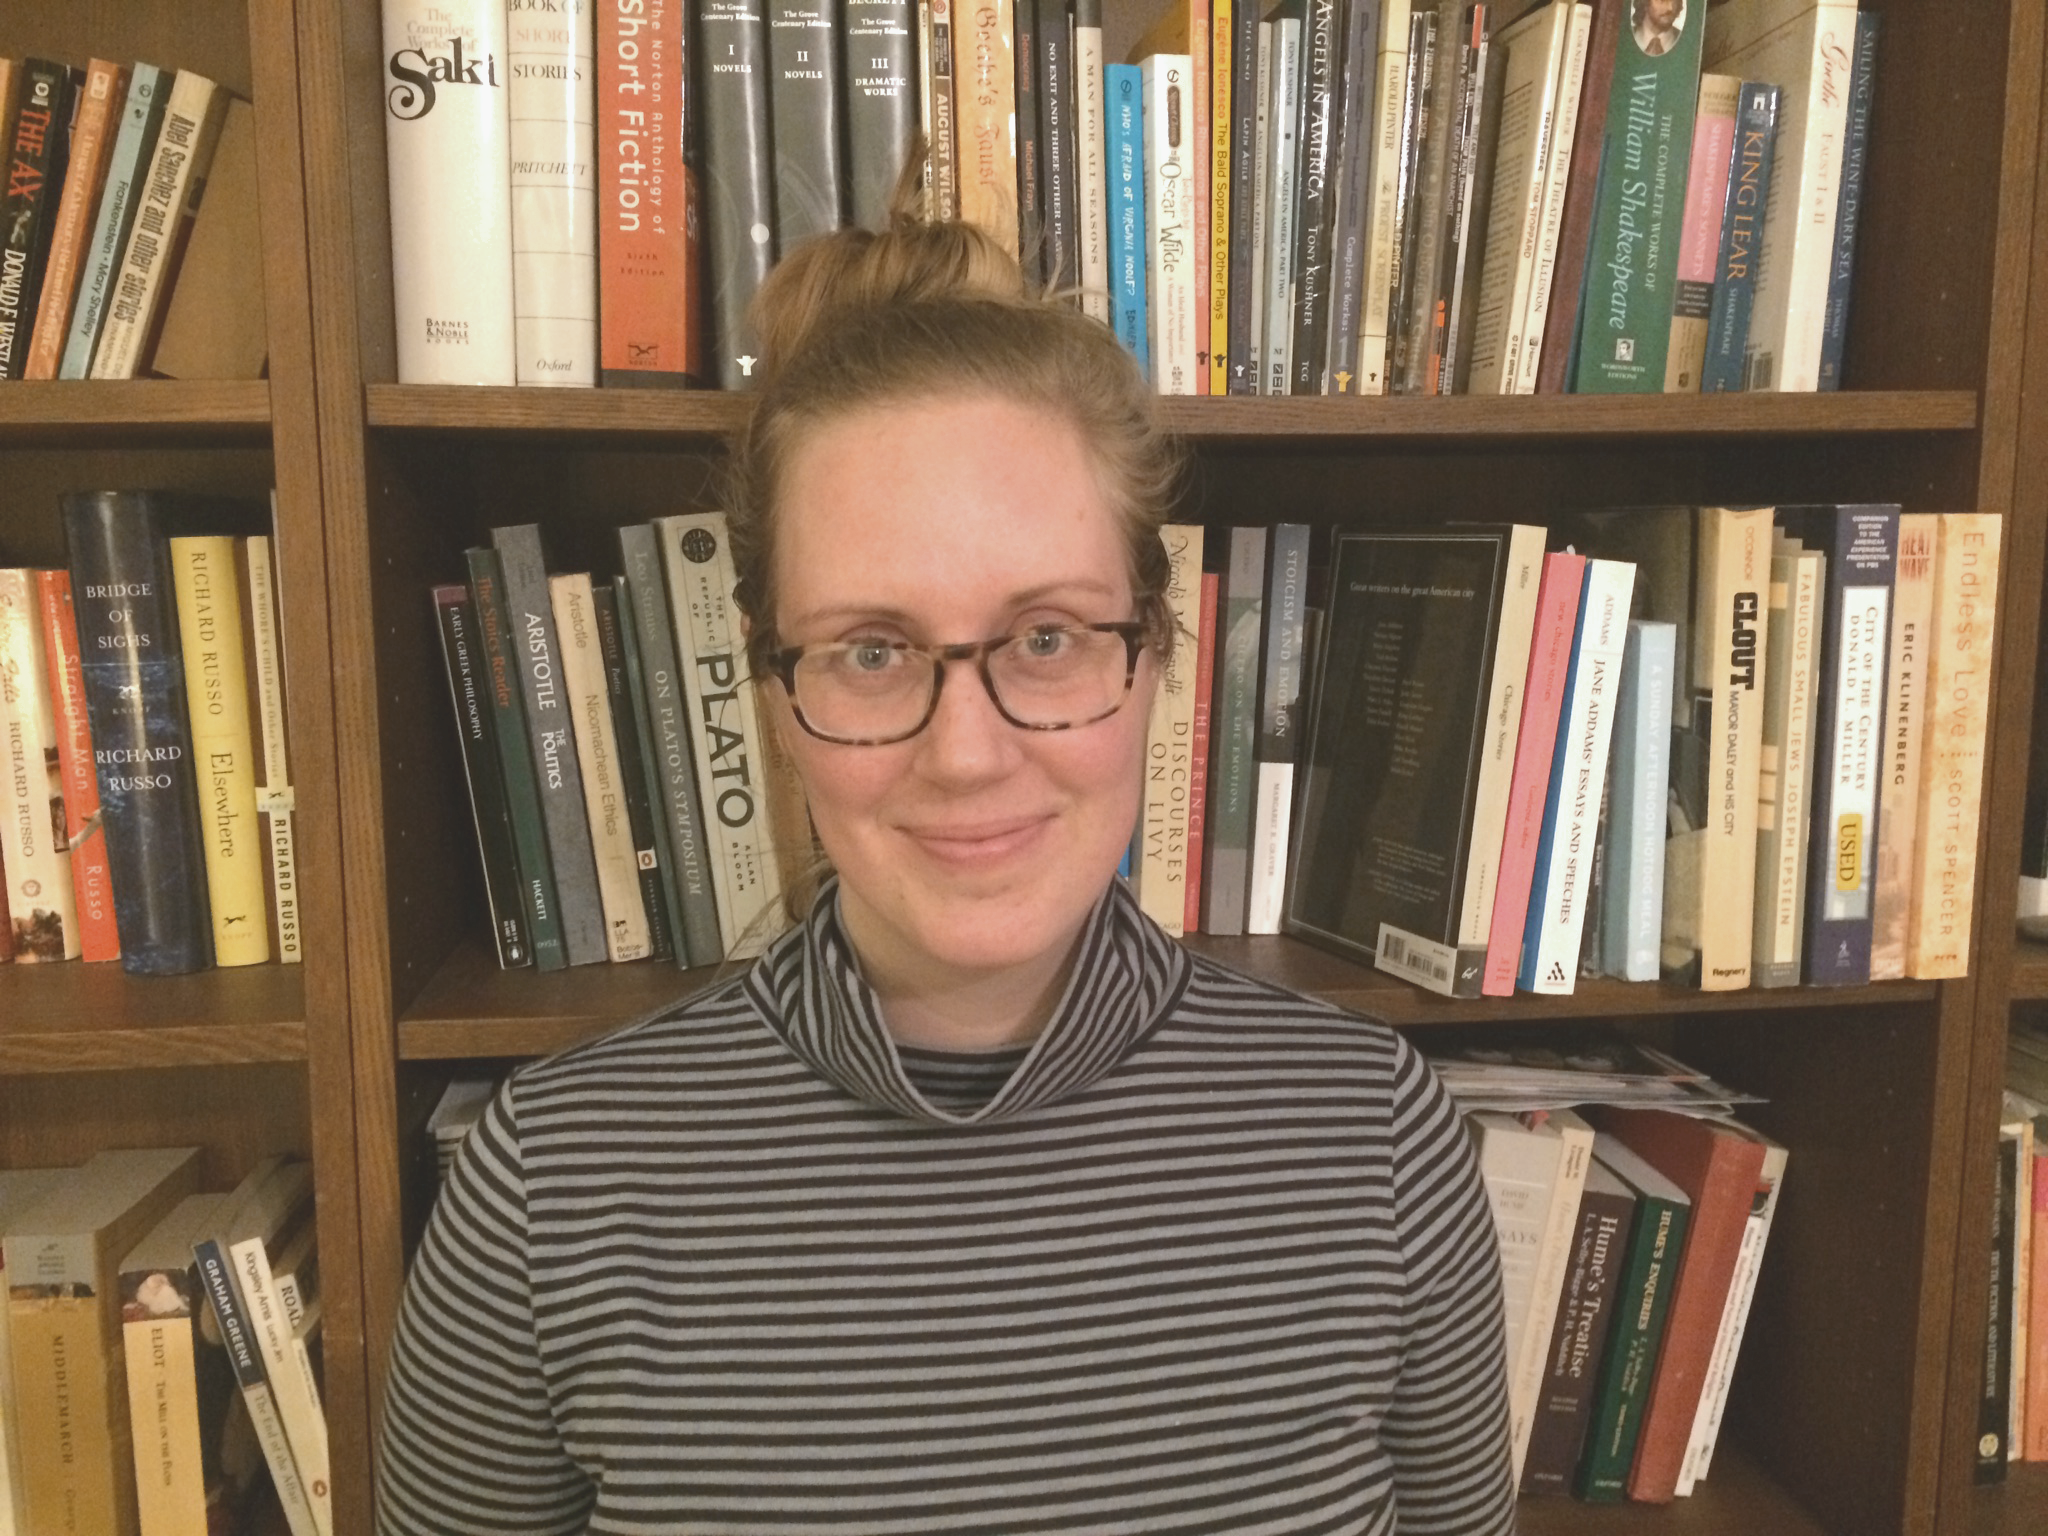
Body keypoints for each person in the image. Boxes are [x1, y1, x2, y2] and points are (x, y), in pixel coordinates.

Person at [375, 203, 1517, 1534]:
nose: (967, 755)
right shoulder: (550, 1190)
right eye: (871, 650)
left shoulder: (1373, 1142)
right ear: (770, 689)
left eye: (1045, 636)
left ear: (1154, 654)